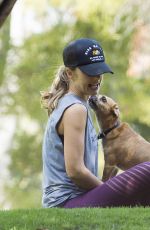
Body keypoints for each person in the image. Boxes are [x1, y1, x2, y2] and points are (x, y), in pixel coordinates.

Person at [41, 38, 150, 208]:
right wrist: (110, 190)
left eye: (100, 71)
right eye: (90, 72)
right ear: (70, 73)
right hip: (67, 202)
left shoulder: (76, 104)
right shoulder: (76, 109)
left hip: (75, 198)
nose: (98, 78)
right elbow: (75, 171)